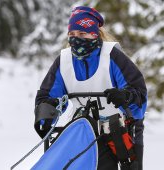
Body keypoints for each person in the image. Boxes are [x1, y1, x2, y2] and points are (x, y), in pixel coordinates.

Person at [34, 6, 147, 170]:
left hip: (120, 131)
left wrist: (125, 96)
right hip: (84, 129)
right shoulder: (64, 61)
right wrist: (46, 114)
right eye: (72, 34)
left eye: (82, 34)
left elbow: (139, 96)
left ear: (94, 34)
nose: (76, 39)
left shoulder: (112, 57)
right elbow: (48, 96)